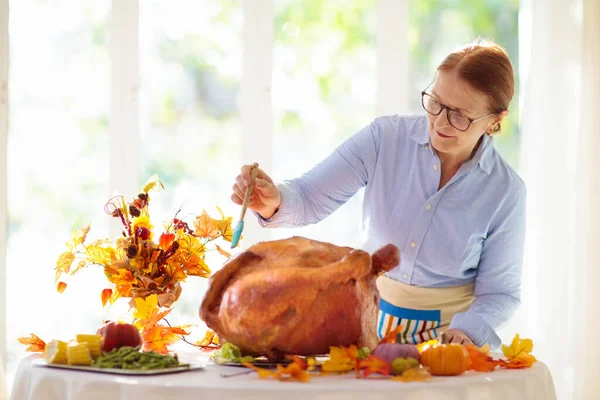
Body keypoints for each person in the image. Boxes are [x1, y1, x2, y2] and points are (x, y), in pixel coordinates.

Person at [231, 38, 525, 349]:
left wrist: (466, 332)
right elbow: (307, 197)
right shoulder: (384, 138)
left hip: (451, 344)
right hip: (369, 325)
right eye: (436, 102)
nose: (439, 121)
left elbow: (499, 292)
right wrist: (274, 200)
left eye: (460, 116)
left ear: (495, 119)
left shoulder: (506, 191)